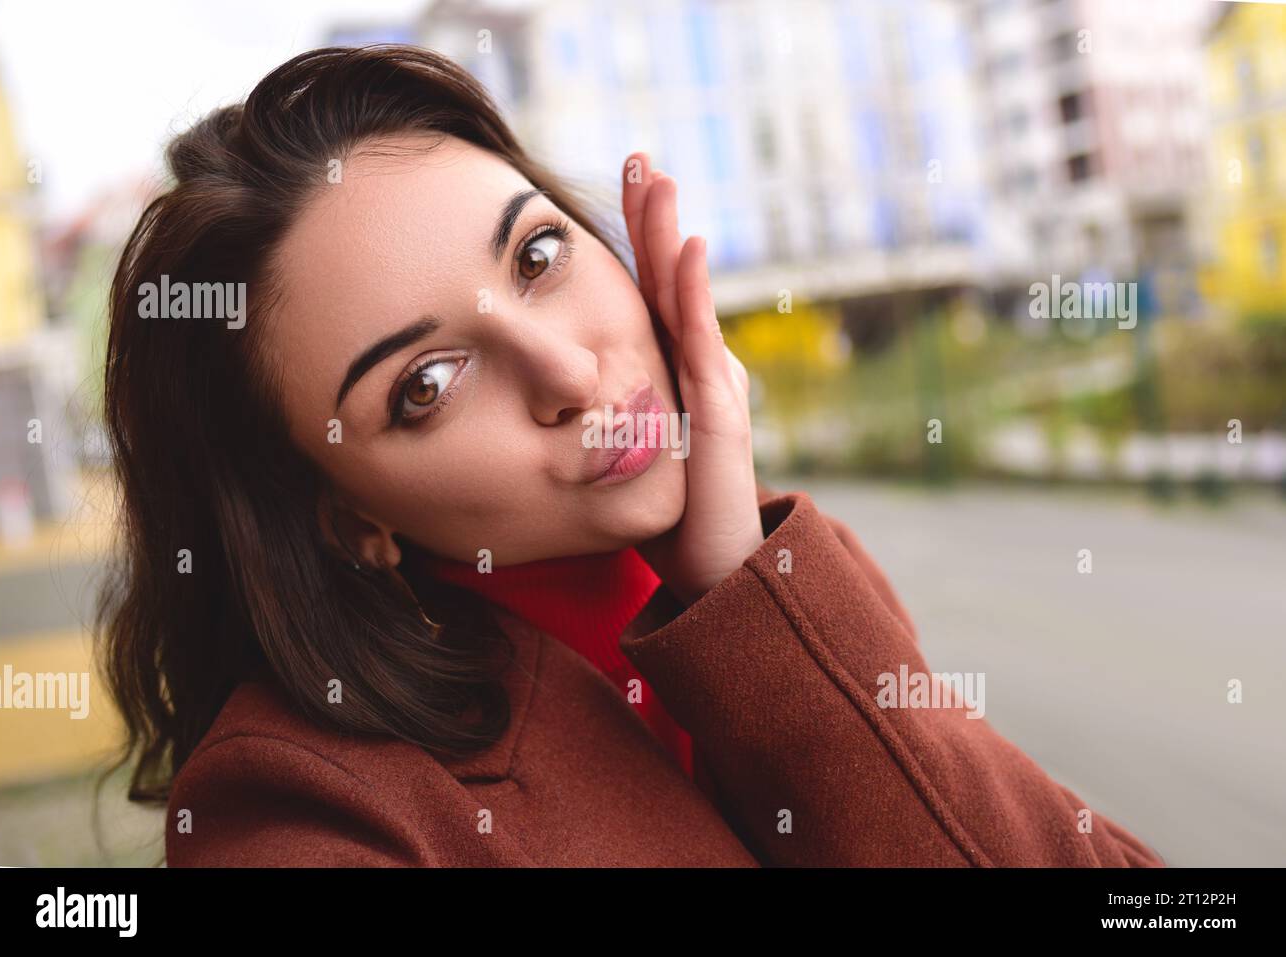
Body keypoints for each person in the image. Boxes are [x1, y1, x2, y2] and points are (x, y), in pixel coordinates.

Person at [95, 45, 1164, 867]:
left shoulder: (789, 581)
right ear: (341, 516)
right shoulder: (299, 814)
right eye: (425, 384)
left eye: (538, 254)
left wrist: (746, 596)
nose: (564, 374)